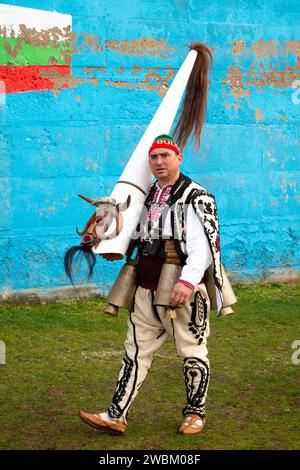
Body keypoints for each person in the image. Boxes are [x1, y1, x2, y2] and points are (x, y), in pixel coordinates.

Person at [79, 134, 224, 435]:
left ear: (178, 158)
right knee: (135, 351)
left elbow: (204, 247)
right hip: (144, 287)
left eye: (165, 156)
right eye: (154, 157)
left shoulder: (196, 196)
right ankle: (116, 415)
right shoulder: (145, 195)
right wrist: (110, 244)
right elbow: (136, 234)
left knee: (192, 350)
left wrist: (186, 282)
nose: (159, 162)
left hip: (181, 290)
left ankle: (195, 414)